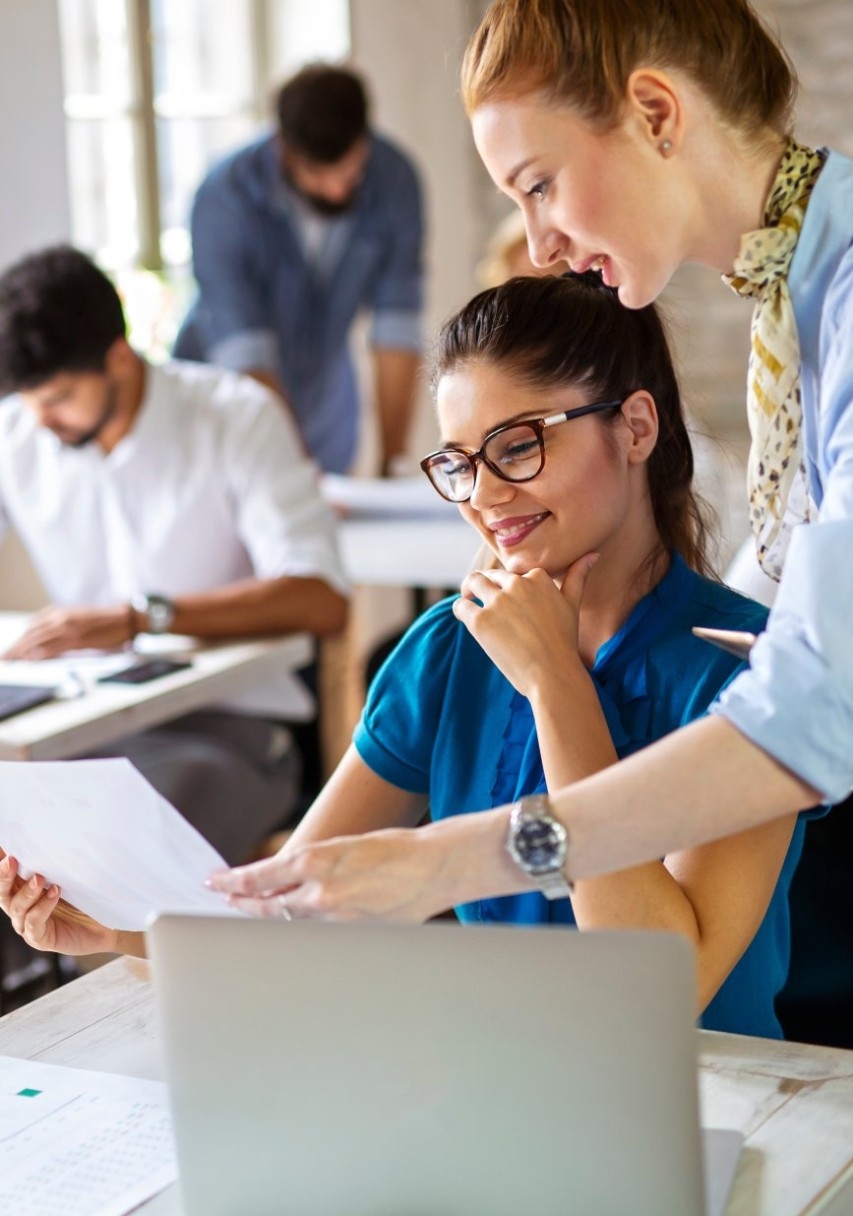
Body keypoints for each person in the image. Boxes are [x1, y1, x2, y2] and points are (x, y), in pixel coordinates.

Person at [195, 0, 853, 925]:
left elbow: (814, 704)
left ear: (655, 113)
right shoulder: (795, 314)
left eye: (539, 183)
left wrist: (458, 858)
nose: (538, 243)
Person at [1, 274, 813, 1039]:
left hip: (713, 1102)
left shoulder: (750, 671)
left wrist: (554, 683)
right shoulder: (447, 652)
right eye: (459, 464)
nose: (486, 497)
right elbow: (292, 909)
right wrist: (123, 928)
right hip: (504, 1087)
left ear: (635, 427)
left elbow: (661, 993)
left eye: (519, 446)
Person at [0, 245, 348, 862]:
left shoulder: (234, 416)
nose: (41, 420)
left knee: (115, 850)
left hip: (228, 734)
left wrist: (140, 617)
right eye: (29, 401)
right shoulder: (19, 434)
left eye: (57, 398)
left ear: (118, 357)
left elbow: (320, 600)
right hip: (74, 735)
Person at [173, 62, 425, 476]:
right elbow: (246, 353)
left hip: (327, 408)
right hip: (228, 405)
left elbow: (397, 326)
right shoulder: (224, 197)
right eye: (317, 173)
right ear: (282, 148)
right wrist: (298, 476)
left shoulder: (394, 178)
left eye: (349, 169)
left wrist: (391, 462)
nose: (336, 187)